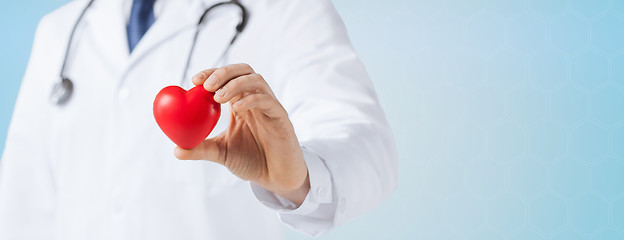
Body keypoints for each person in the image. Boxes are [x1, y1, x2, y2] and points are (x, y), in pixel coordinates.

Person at [0, 0, 397, 239]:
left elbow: (368, 146)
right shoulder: (63, 29)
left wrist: (299, 176)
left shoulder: (285, 9)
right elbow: (22, 200)